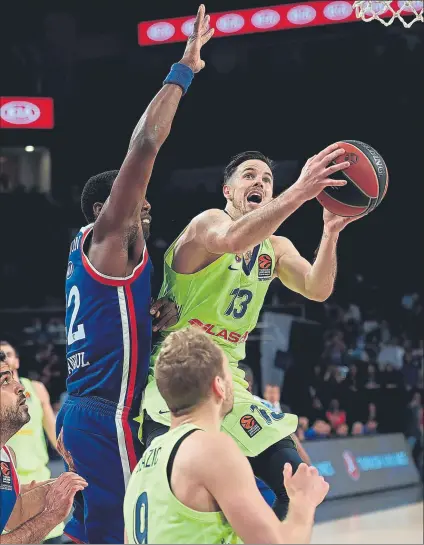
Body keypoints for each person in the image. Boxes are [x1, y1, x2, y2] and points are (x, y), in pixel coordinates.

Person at [56, 6, 214, 543]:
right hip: (103, 415)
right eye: (133, 203)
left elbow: (113, 322)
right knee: (122, 535)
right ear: (106, 208)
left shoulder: (98, 258)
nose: (144, 207)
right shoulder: (107, 236)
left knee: (86, 532)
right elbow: (145, 143)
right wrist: (184, 70)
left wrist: (153, 319)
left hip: (85, 407)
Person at [142, 144, 362, 518]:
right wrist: (301, 190)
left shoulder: (275, 247)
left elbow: (317, 288)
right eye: (249, 176)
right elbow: (233, 240)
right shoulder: (208, 222)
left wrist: (330, 232)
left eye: (267, 179)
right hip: (174, 375)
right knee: (179, 503)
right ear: (228, 190)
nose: (259, 181)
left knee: (297, 490)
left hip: (229, 383)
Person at [124, 328, 329, 544]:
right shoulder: (211, 449)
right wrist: (303, 503)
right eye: (230, 372)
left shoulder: (142, 468)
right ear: (219, 385)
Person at [0, 350, 87, 544]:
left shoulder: (5, 454)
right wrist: (51, 515)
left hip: (37, 472)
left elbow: (15, 509)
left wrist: (74, 478)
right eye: (5, 381)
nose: (20, 387)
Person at [0, 340, 64, 543]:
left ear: (17, 361)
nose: (20, 389)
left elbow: (54, 433)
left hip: (32, 479)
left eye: (8, 354)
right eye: (4, 381)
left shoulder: (35, 389)